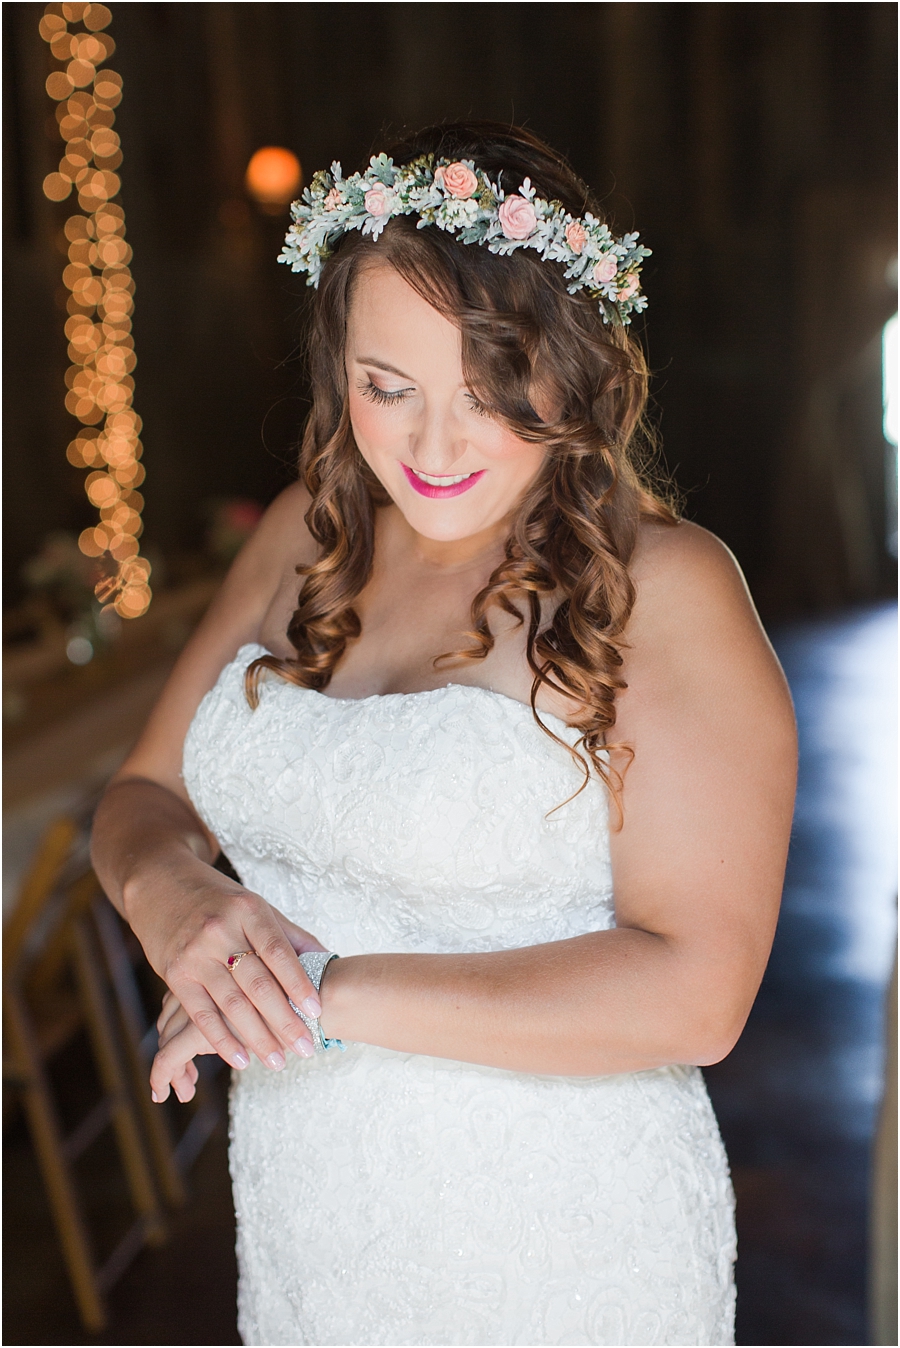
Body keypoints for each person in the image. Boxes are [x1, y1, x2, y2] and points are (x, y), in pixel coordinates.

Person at [91, 122, 797, 1346]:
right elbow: (144, 792)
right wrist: (174, 901)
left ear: (572, 367)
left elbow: (698, 994)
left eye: (487, 394)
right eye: (387, 387)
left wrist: (314, 993)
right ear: (338, 367)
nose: (430, 448)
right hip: (313, 1218)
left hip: (557, 1236)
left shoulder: (665, 588)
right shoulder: (307, 535)